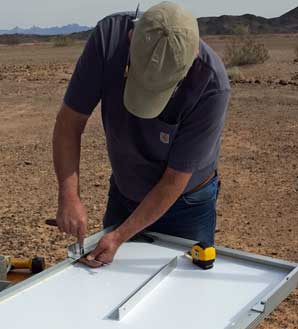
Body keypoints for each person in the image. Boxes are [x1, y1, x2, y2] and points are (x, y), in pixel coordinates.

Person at [53, 2, 230, 268]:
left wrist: (120, 236)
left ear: (191, 60)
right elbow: (69, 124)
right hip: (125, 192)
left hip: (186, 205)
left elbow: (174, 180)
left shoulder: (211, 85)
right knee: (109, 286)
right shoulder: (108, 40)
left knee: (185, 290)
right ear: (131, 38)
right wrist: (69, 196)